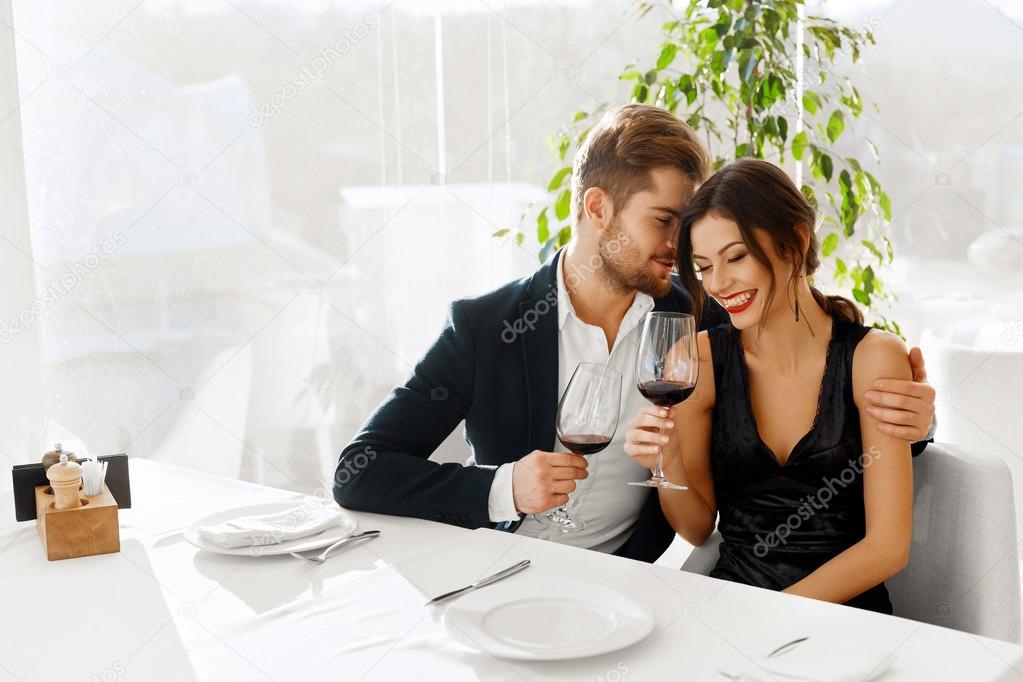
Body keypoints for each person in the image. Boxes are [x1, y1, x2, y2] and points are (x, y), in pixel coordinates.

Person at [334, 104, 935, 563]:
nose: (683, 247)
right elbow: (358, 470)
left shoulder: (705, 317)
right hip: (499, 571)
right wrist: (503, 487)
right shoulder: (486, 327)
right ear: (598, 208)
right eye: (665, 220)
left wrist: (918, 421)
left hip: (629, 590)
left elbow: (818, 381)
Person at [625, 158, 911, 611]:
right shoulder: (699, 359)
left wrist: (775, 615)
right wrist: (669, 457)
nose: (718, 284)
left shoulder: (873, 358)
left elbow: (887, 548)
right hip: (733, 607)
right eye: (703, 268)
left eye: (735, 257)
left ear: (795, 242)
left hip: (846, 620)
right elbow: (697, 528)